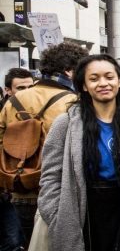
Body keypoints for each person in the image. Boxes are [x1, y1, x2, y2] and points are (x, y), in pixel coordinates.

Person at [38, 54, 120, 251]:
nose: (103, 83)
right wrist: (57, 216)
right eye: (94, 79)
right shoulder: (66, 124)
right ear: (84, 86)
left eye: (109, 77)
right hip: (83, 210)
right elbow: (50, 176)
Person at [0, 42, 88, 249]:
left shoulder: (14, 100)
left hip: (19, 187)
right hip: (60, 191)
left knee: (26, 242)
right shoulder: (75, 101)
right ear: (69, 71)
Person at [0, 70, 32, 251]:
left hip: (16, 187)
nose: (27, 91)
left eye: (30, 87)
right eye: (21, 88)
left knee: (14, 240)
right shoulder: (4, 112)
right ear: (8, 90)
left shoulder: (35, 111)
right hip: (5, 183)